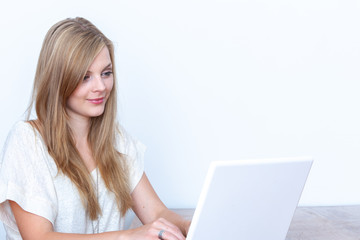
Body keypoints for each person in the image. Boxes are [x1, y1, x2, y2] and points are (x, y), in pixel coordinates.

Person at [0, 17, 190, 240]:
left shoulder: (116, 140)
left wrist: (191, 225)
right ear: (58, 80)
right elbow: (40, 237)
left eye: (106, 73)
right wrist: (126, 236)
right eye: (85, 77)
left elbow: (157, 213)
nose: (100, 87)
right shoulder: (27, 141)